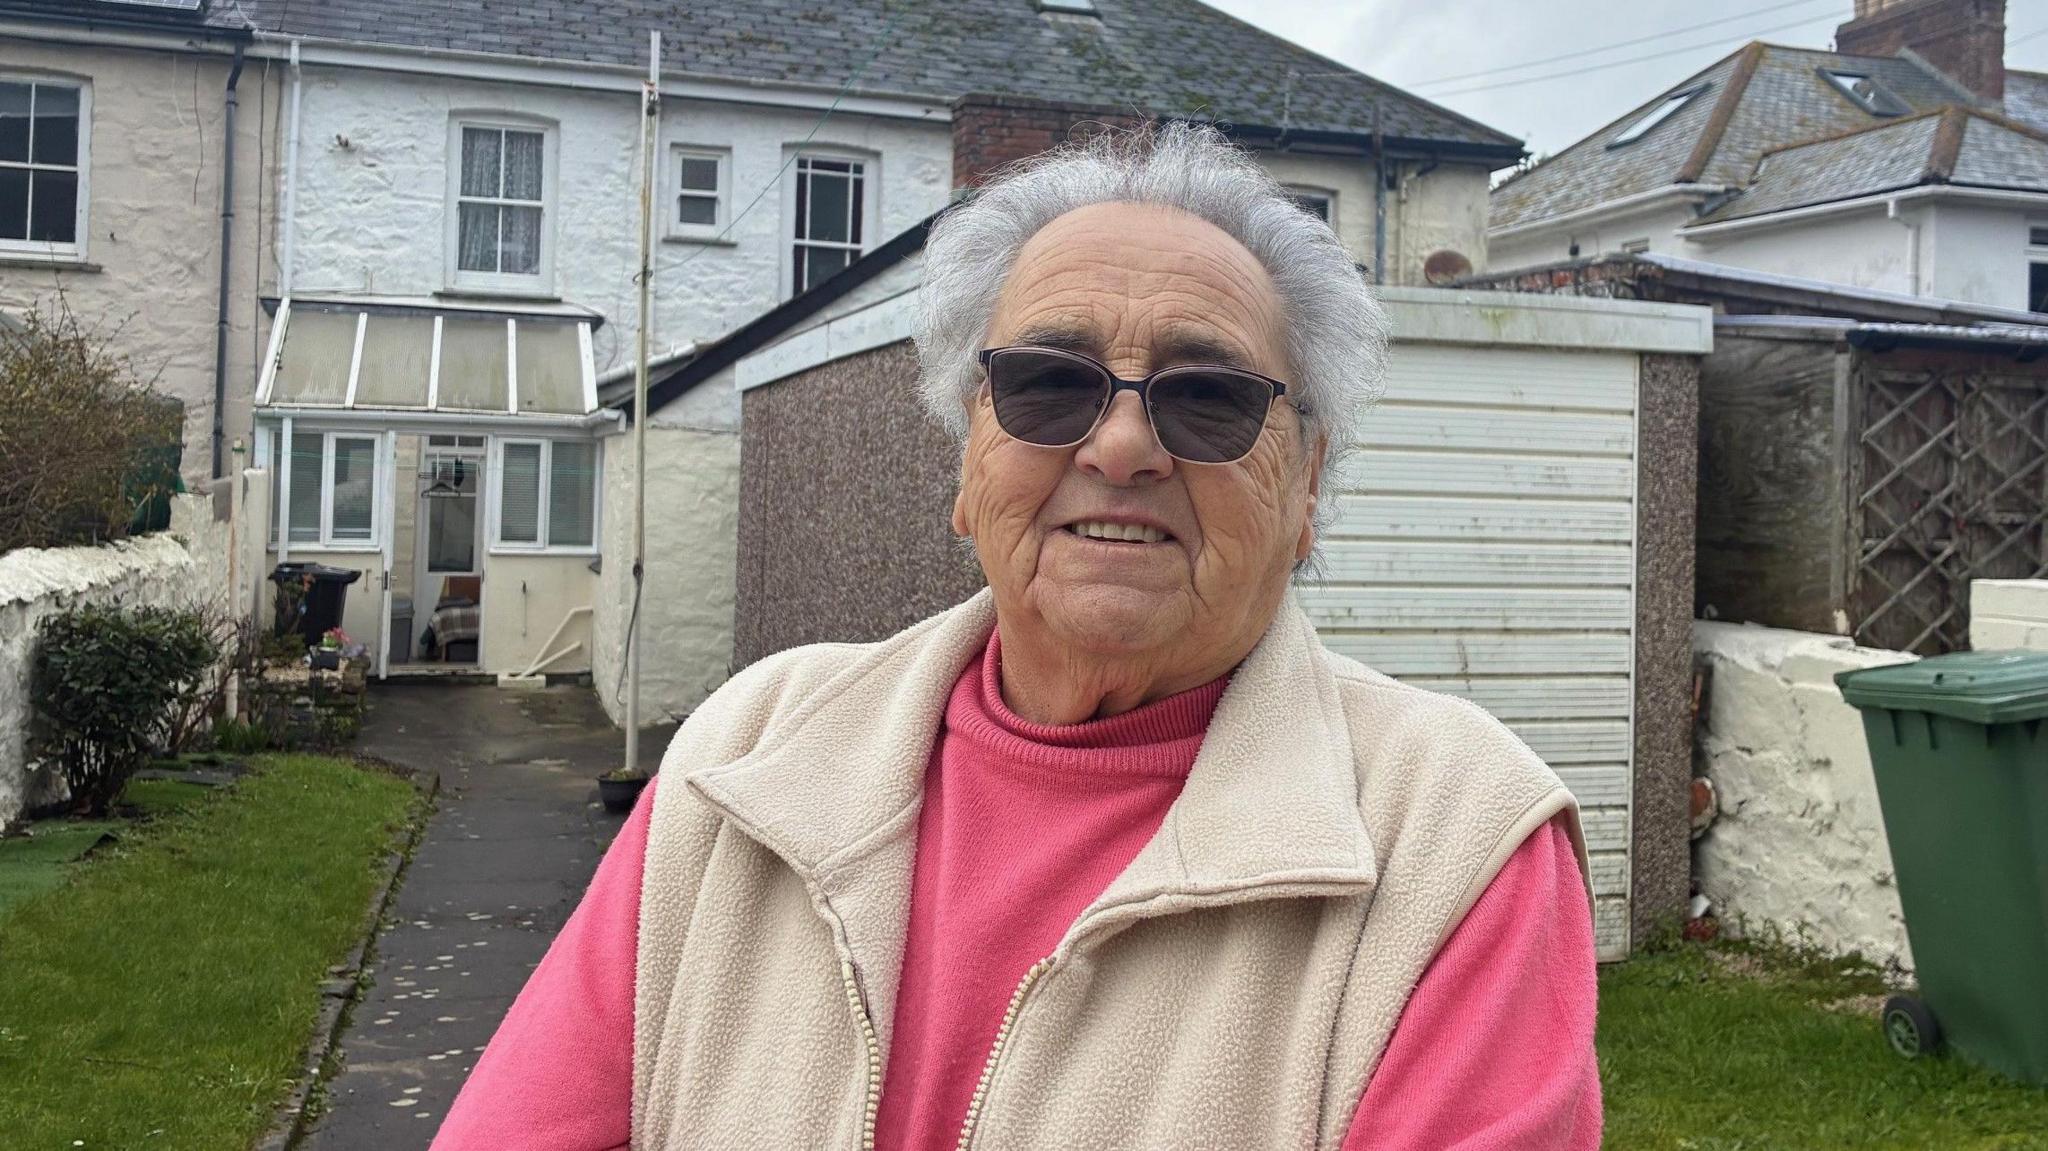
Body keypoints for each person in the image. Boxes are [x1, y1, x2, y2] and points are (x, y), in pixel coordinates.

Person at [432, 120, 1600, 1150]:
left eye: (1207, 397)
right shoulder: (746, 750)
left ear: (1303, 487)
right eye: (1049, 383)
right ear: (965, 459)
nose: (1122, 447)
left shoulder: (1456, 836)